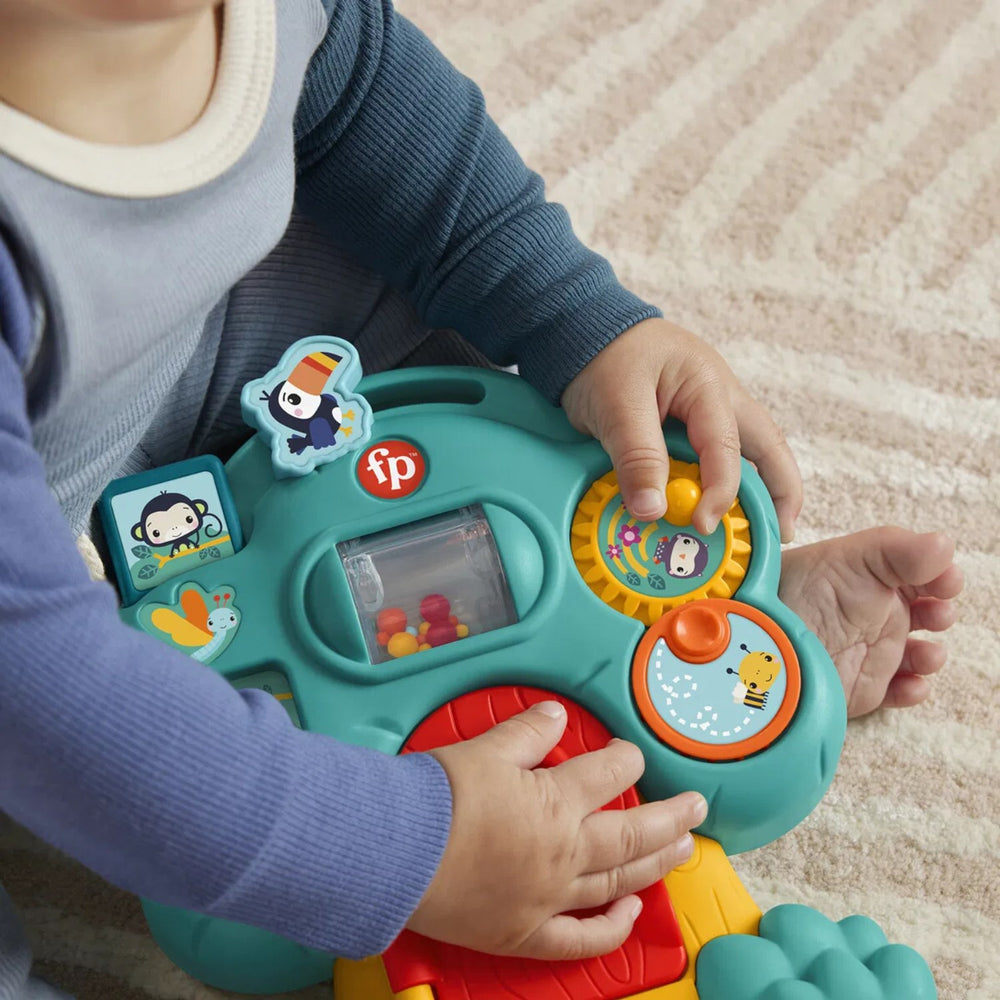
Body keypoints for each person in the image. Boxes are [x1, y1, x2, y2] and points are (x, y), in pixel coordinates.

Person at [0, 0, 962, 996]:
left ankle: (680, 625)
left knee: (441, 422)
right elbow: (41, 691)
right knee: (138, 787)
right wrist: (397, 848)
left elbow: (366, 102)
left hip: (223, 354)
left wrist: (582, 321)